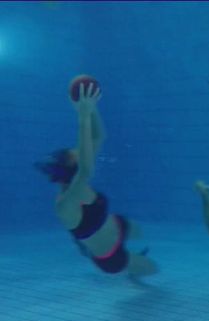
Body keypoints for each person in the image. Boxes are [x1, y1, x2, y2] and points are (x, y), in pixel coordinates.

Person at [34, 81, 157, 277]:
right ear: (71, 168)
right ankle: (131, 272)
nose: (79, 151)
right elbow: (86, 170)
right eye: (75, 153)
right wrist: (82, 117)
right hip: (110, 256)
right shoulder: (65, 204)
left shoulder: (76, 178)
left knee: (143, 233)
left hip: (117, 225)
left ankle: (130, 258)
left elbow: (99, 137)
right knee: (152, 270)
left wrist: (92, 109)